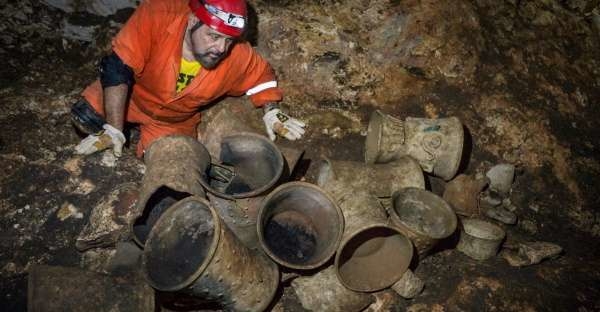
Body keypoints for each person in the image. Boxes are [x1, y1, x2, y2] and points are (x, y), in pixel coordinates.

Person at [72, 0, 305, 158]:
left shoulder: (237, 54)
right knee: (86, 118)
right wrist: (114, 127)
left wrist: (272, 111)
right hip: (132, 96)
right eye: (213, 36)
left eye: (229, 40)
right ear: (193, 20)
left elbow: (261, 77)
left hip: (172, 120)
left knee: (171, 160)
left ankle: (139, 139)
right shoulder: (158, 15)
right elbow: (117, 66)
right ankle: (120, 130)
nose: (221, 49)